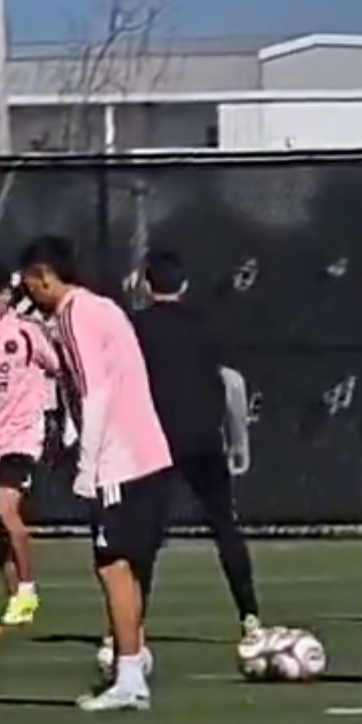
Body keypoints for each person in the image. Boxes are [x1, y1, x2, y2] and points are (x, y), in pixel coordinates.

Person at [17, 236, 174, 712]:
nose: (28, 293)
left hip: (118, 461)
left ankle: (129, 675)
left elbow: (96, 392)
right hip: (150, 454)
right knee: (132, 564)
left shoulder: (73, 315)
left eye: (29, 283)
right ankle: (133, 658)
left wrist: (88, 465)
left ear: (45, 277)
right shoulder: (104, 308)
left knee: (112, 565)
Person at [131, 249, 264, 637]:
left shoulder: (135, 327)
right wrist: (239, 441)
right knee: (225, 527)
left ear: (146, 285)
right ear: (185, 284)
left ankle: (132, 623)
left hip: (155, 442)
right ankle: (250, 617)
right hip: (204, 440)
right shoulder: (207, 324)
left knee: (146, 535)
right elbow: (233, 384)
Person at [0, 260, 57, 626]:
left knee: (5, 508)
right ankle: (15, 596)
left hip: (20, 438)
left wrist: (56, 414)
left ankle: (28, 587)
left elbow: (59, 365)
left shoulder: (26, 332)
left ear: (6, 294)